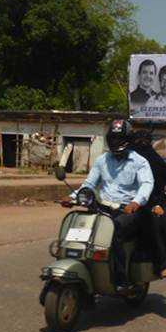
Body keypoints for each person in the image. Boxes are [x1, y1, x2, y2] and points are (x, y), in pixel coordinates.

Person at [61, 119, 154, 293]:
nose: (115, 143)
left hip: (127, 210)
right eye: (113, 139)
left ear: (128, 139)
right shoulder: (102, 160)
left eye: (119, 139)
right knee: (83, 228)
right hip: (103, 207)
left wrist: (136, 202)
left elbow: (147, 184)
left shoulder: (139, 162)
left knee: (116, 230)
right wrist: (73, 197)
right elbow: (89, 184)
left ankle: (121, 279)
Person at [131, 130, 166, 278]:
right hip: (125, 200)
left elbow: (160, 176)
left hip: (151, 199)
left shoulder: (146, 159)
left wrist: (154, 198)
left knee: (157, 223)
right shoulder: (120, 158)